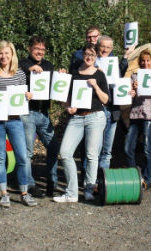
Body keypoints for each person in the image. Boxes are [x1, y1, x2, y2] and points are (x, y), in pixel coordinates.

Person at [54, 43, 108, 203]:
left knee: (92, 155)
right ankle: (71, 193)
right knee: (65, 152)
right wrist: (67, 107)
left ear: (96, 56)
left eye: (92, 54)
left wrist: (96, 86)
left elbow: (106, 99)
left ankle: (89, 190)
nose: (89, 57)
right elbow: (66, 96)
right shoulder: (74, 73)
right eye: (87, 54)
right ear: (83, 55)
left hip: (96, 117)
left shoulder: (99, 75)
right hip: (77, 118)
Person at [0, 40, 37, 207]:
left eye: (7, 53)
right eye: (1, 53)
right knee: (0, 158)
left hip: (15, 121)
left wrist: (28, 96)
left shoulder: (20, 74)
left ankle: (24, 192)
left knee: (22, 157)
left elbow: (23, 98)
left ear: (12, 54)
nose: (3, 56)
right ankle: (4, 193)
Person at [19, 36, 63, 197]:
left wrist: (61, 76)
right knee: (28, 151)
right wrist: (30, 69)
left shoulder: (48, 65)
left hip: (44, 113)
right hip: (27, 113)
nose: (40, 52)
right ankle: (30, 185)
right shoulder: (22, 64)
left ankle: (53, 183)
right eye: (37, 49)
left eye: (43, 50)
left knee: (53, 147)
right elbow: (16, 75)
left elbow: (55, 85)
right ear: (30, 49)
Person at [124, 49, 151, 190]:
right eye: (143, 60)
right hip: (135, 115)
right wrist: (133, 91)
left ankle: (148, 178)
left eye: (148, 60)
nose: (145, 63)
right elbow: (128, 98)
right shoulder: (134, 76)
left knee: (148, 148)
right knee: (128, 147)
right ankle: (134, 176)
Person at [95, 35, 132, 169]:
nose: (105, 50)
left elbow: (121, 76)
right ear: (97, 47)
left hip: (113, 109)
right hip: (97, 109)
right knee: (94, 149)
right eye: (103, 46)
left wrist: (126, 56)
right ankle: (90, 180)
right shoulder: (91, 63)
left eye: (108, 47)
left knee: (107, 150)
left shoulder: (113, 64)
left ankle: (102, 180)